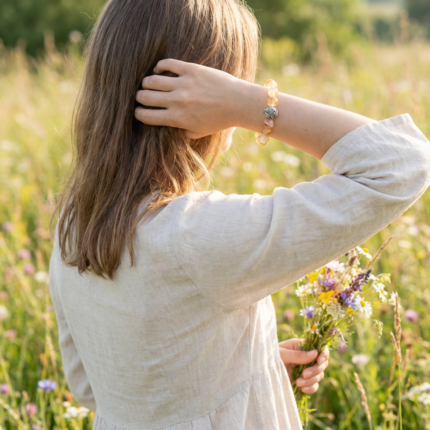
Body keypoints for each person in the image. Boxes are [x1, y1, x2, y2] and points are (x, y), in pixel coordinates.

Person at [49, 0, 430, 429]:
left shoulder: (73, 225)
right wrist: (253, 105)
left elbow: (90, 386)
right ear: (203, 99)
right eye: (234, 83)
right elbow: (401, 163)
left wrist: (251, 371)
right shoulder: (195, 235)